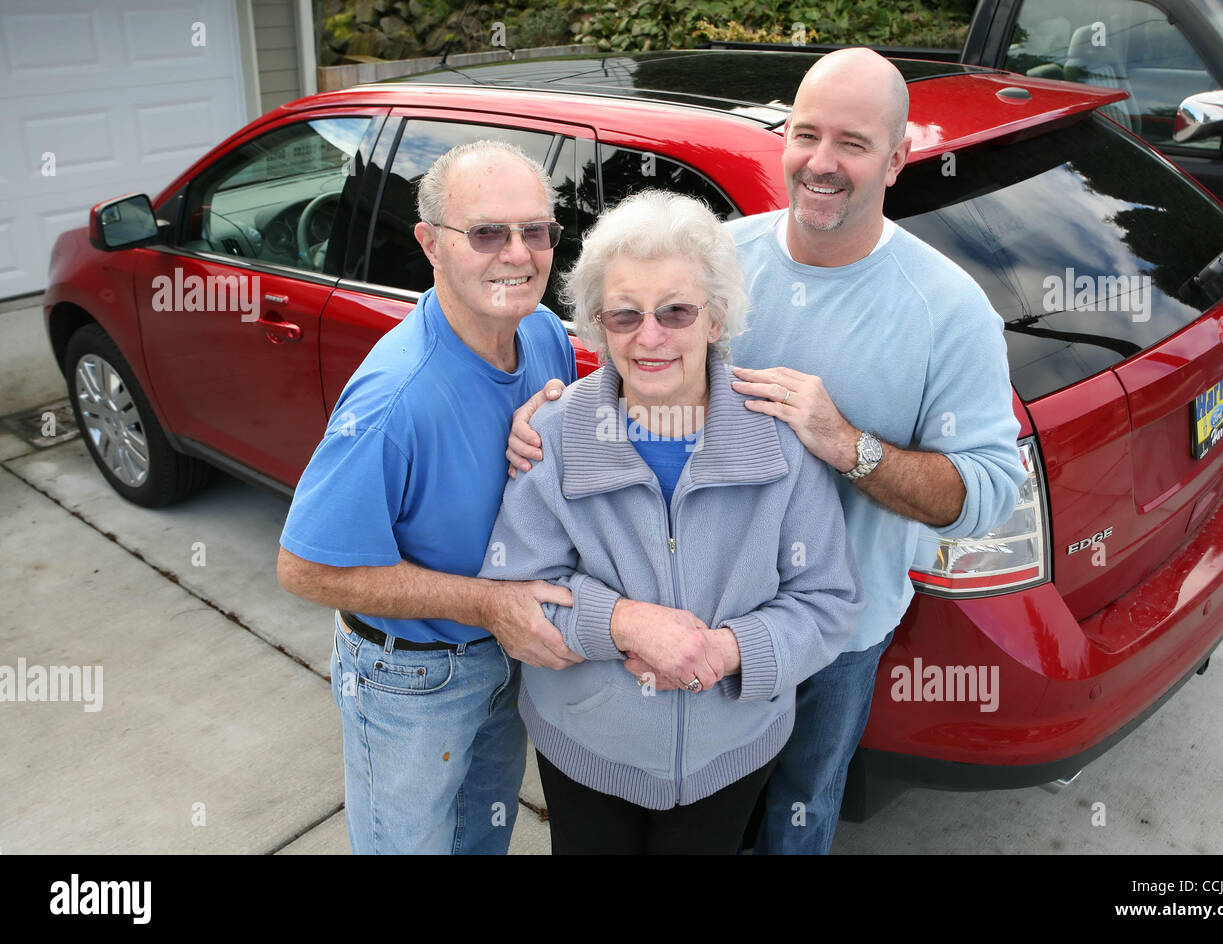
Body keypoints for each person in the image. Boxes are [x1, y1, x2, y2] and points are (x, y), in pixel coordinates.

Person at [507, 48, 1026, 854]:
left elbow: (989, 495)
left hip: (830, 640)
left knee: (792, 823)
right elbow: (629, 350)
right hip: (649, 652)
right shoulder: (718, 257)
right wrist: (541, 413)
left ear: (897, 159)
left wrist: (846, 446)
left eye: (852, 143)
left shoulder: (949, 309)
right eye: (806, 133)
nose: (821, 161)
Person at [481, 189, 866, 854]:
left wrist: (726, 650)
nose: (650, 337)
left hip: (732, 753)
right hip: (586, 751)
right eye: (624, 316)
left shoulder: (779, 441)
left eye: (676, 312)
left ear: (715, 319)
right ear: (599, 325)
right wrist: (622, 622)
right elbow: (516, 598)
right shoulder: (555, 436)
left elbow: (828, 603)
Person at [275, 140, 580, 855]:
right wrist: (489, 604)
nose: (518, 253)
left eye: (535, 230)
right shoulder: (395, 399)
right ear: (430, 245)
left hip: (505, 653)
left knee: (483, 839)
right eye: (486, 233)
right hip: (412, 675)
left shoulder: (538, 331)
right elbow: (304, 568)